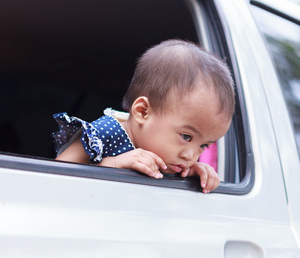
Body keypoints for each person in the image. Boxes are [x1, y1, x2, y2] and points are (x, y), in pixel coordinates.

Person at [52, 39, 235, 193]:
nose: (191, 156)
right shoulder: (103, 133)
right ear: (142, 112)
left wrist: (193, 176)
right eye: (186, 137)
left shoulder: (172, 160)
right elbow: (55, 174)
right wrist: (113, 165)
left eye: (203, 146)